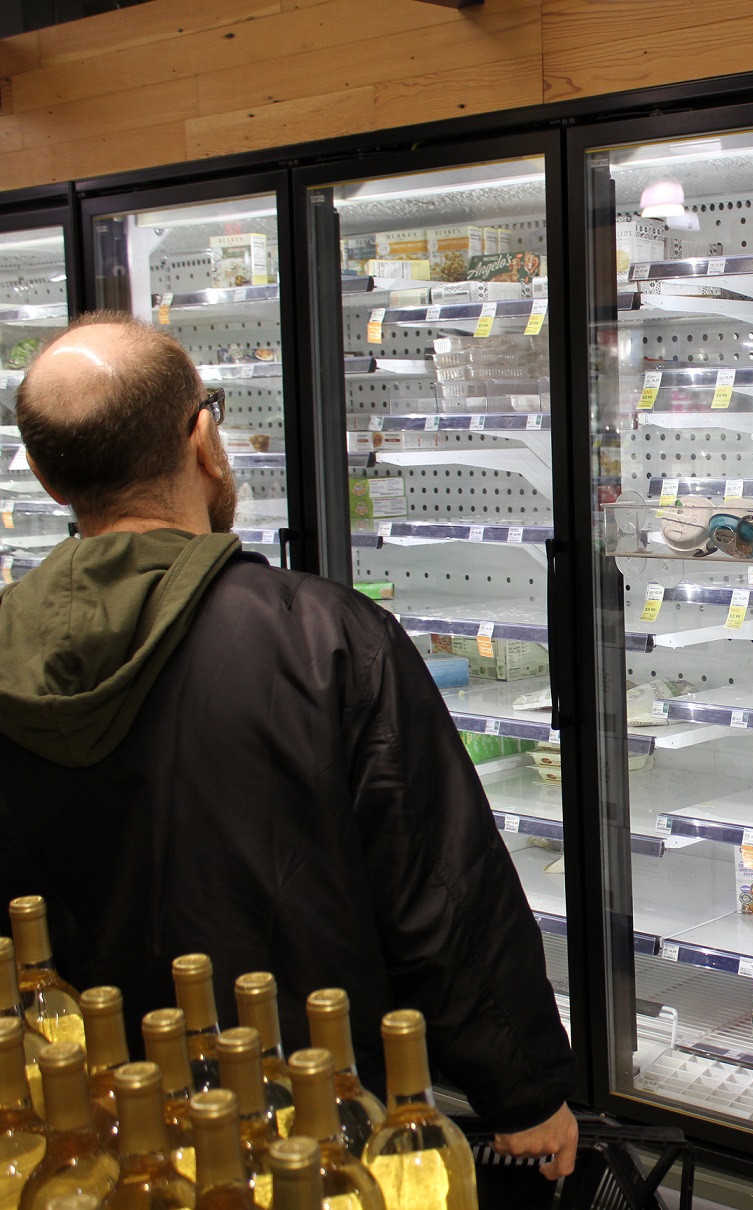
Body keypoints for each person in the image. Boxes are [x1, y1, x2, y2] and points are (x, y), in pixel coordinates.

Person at [0, 314, 579, 1177]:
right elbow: (439, 892)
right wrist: (523, 1091)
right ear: (205, 438)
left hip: (82, 1139)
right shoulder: (328, 638)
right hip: (306, 1133)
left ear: (46, 477)